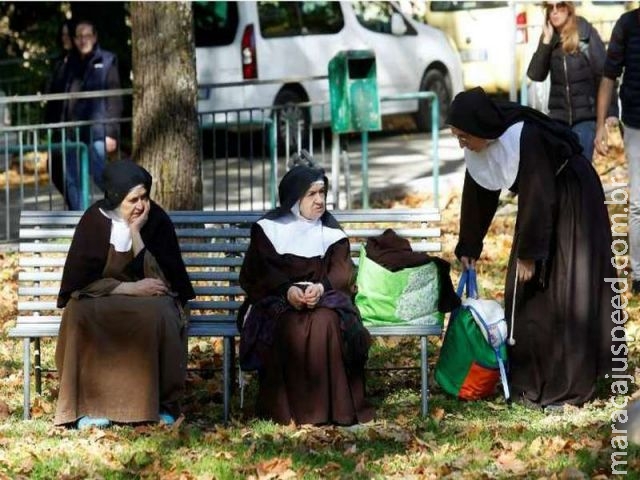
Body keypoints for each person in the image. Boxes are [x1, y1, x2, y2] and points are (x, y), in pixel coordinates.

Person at [448, 87, 616, 410]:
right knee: (522, 291)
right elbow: (478, 195)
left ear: (482, 128)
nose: (461, 143)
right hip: (542, 208)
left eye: (464, 136)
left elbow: (540, 192)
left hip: (573, 199)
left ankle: (566, 381)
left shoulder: (523, 136)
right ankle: (529, 378)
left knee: (566, 289)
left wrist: (529, 252)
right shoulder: (480, 144)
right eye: (457, 136)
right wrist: (469, 243)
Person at [54, 160, 195, 429]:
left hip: (150, 299)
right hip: (105, 296)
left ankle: (158, 405)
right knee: (78, 312)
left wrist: (135, 232)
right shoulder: (94, 221)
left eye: (144, 197)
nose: (141, 205)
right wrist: (127, 288)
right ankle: (87, 407)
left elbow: (163, 281)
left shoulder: (157, 221)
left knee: (160, 314)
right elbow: (79, 283)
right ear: (117, 199)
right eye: (133, 200)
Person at [238, 154, 374, 426]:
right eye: (311, 194)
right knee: (288, 325)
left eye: (322, 192)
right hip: (277, 299)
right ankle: (288, 412)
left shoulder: (331, 233)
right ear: (294, 198)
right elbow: (259, 273)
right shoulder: (269, 230)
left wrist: (320, 288)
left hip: (322, 299)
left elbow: (341, 272)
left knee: (326, 322)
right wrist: (288, 290)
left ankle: (331, 410)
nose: (319, 200)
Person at [527, 1, 618, 162]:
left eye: (559, 6)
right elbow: (535, 74)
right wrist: (546, 42)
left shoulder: (585, 33)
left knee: (580, 167)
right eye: (549, 8)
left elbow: (605, 75)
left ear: (568, 9)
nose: (554, 12)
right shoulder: (550, 37)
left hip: (586, 117)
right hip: (559, 117)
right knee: (560, 171)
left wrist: (610, 114)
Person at [595, 7, 640, 294]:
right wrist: (601, 125)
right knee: (637, 201)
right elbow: (609, 76)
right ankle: (639, 273)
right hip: (636, 123)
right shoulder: (627, 24)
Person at [62, 19, 122, 210]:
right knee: (72, 178)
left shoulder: (107, 60)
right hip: (73, 132)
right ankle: (80, 220)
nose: (83, 40)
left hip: (99, 130)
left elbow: (114, 99)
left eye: (87, 35)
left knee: (100, 174)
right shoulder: (69, 63)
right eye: (79, 36)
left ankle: (121, 209)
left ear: (94, 37)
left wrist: (111, 132)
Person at [44, 19, 76, 197]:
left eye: (67, 34)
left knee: (70, 174)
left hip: (71, 125)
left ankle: (78, 213)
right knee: (54, 169)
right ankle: (74, 210)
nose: (65, 38)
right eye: (62, 35)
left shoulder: (78, 61)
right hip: (57, 125)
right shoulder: (58, 61)